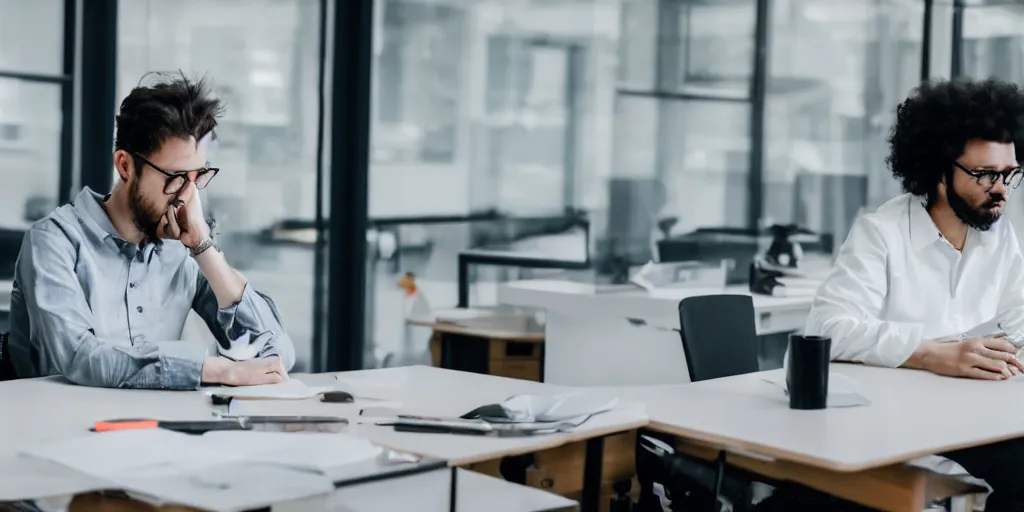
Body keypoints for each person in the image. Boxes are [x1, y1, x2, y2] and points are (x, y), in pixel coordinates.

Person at [805, 78, 1024, 511]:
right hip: (893, 426)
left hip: (970, 421)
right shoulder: (881, 233)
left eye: (1009, 174)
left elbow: (1017, 317)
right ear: (939, 171)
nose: (1000, 189)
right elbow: (827, 330)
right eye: (984, 174)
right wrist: (931, 354)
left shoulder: (998, 235)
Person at [7, 73, 294, 389]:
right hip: (54, 427)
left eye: (197, 178)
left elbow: (275, 353)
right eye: (175, 178)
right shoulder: (53, 242)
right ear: (125, 166)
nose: (186, 195)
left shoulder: (182, 247)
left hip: (152, 429)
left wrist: (202, 247)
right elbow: (80, 357)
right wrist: (218, 370)